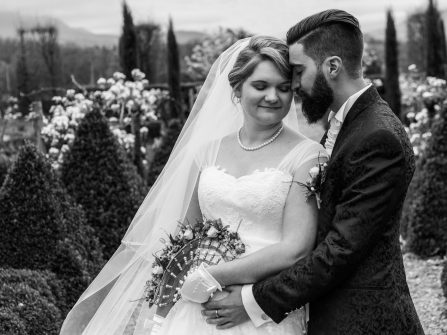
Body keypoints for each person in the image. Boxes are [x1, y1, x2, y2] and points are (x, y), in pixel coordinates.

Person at [60, 35, 325, 335]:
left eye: (284, 88)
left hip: (265, 309)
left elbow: (296, 249)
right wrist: (180, 289)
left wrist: (211, 276)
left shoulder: (307, 155)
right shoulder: (206, 152)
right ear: (237, 88)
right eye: (261, 86)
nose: (273, 97)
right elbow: (185, 236)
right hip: (199, 308)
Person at [202, 9, 425, 335]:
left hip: (366, 322)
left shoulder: (378, 136)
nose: (292, 86)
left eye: (297, 71)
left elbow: (340, 250)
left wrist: (252, 300)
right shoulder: (348, 125)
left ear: (332, 67)